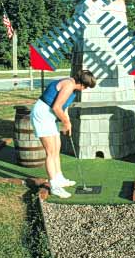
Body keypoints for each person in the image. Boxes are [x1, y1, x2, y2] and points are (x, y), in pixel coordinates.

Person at [30, 69, 96, 198]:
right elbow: (56, 107)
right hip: (42, 114)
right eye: (87, 86)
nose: (86, 89)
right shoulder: (69, 85)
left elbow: (63, 107)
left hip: (50, 116)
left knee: (56, 149)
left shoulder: (73, 89)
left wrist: (68, 122)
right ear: (82, 83)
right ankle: (54, 186)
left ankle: (59, 178)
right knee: (50, 152)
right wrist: (65, 123)